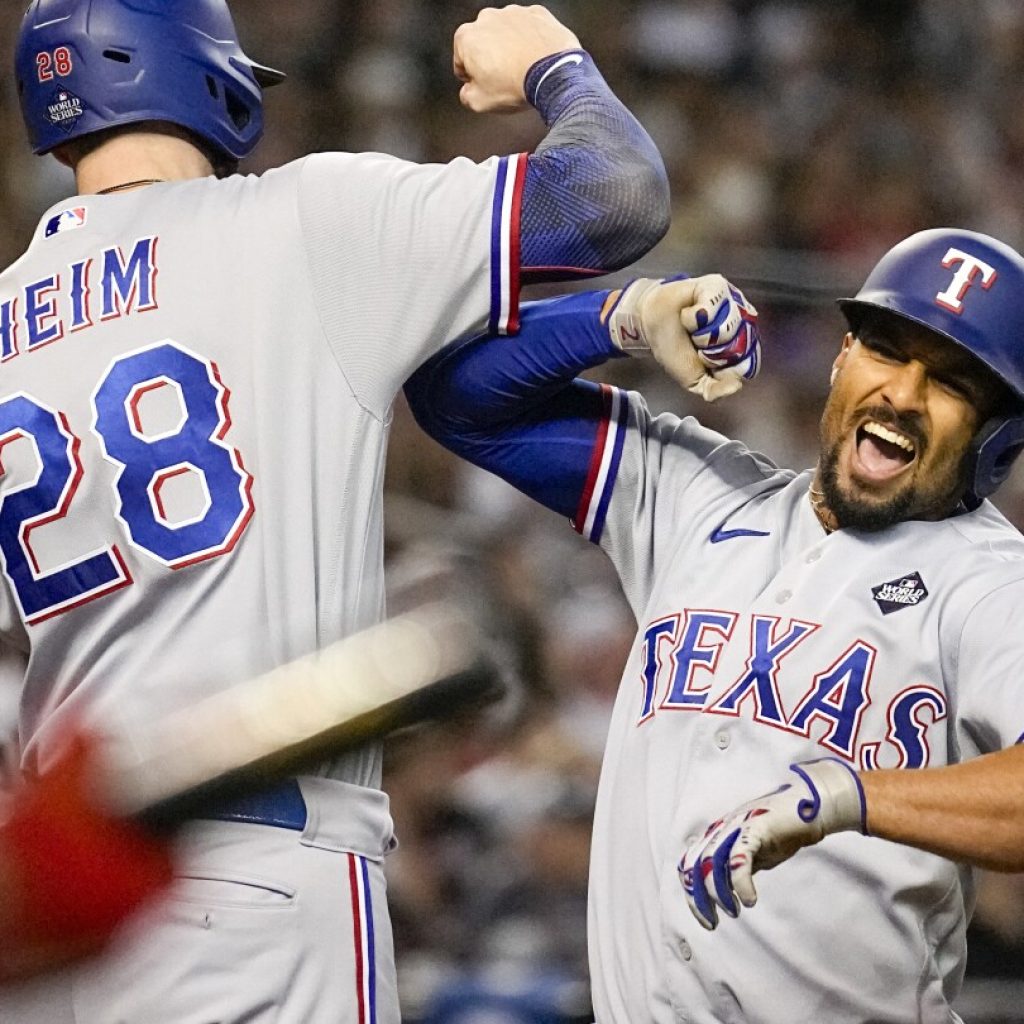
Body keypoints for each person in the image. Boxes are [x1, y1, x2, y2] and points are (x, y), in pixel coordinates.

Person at [0, 0, 670, 1020]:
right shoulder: (297, 221)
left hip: (63, 905)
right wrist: (554, 66)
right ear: (204, 76)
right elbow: (611, 193)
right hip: (260, 868)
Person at [404, 228, 1024, 1023]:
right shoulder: (695, 496)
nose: (901, 393)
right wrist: (625, 317)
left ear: (998, 438)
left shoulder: (990, 581)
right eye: (885, 349)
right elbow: (453, 395)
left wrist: (842, 798)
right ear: (840, 359)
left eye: (951, 381)